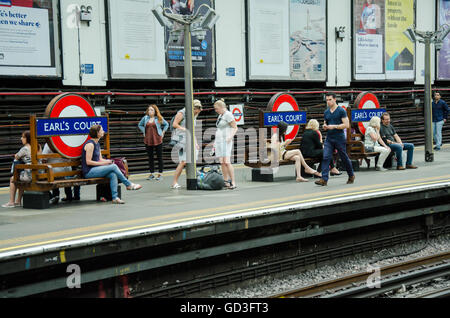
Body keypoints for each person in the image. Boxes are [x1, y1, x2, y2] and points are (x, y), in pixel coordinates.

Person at [82, 125, 142, 204]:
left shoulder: (97, 144)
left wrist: (108, 161)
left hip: (96, 169)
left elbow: (100, 159)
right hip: (89, 171)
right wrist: (107, 163)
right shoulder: (90, 145)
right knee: (113, 167)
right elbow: (88, 162)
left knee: (112, 174)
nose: (103, 132)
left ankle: (115, 198)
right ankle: (128, 184)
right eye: (101, 130)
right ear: (97, 133)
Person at [315, 93, 355, 186]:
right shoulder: (326, 112)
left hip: (339, 138)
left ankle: (351, 175)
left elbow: (346, 125)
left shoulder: (341, 111)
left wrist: (335, 126)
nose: (328, 102)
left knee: (344, 157)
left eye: (330, 100)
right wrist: (324, 126)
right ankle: (324, 179)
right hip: (329, 138)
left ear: (335, 99)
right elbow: (326, 122)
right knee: (326, 157)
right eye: (327, 100)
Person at [170, 99, 203, 189]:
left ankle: (192, 180)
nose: (197, 113)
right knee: (183, 161)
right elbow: (174, 124)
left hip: (190, 139)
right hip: (181, 139)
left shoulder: (194, 115)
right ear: (193, 108)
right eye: (196, 110)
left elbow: (193, 130)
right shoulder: (182, 113)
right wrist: (184, 129)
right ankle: (174, 182)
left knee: (191, 161)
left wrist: (195, 142)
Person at [138, 104, 169, 181]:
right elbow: (140, 125)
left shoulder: (158, 118)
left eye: (152, 110)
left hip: (158, 139)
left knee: (159, 157)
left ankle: (160, 174)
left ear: (155, 111)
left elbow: (166, 124)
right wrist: (144, 131)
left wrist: (163, 132)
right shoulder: (145, 118)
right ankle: (152, 173)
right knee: (150, 158)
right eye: (149, 110)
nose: (150, 111)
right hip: (148, 140)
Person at [2, 131, 32, 208]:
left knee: (13, 179)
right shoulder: (37, 146)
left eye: (23, 137)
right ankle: (18, 201)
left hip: (29, 175)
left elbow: (16, 156)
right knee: (20, 177)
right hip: (38, 173)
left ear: (27, 138)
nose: (21, 138)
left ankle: (11, 202)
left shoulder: (25, 149)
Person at [214, 99, 238, 189]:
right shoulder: (220, 115)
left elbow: (235, 128)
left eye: (216, 109)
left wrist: (230, 137)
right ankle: (225, 181)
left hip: (226, 141)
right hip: (219, 141)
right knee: (222, 162)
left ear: (221, 107)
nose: (216, 110)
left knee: (227, 162)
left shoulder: (228, 114)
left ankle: (233, 182)